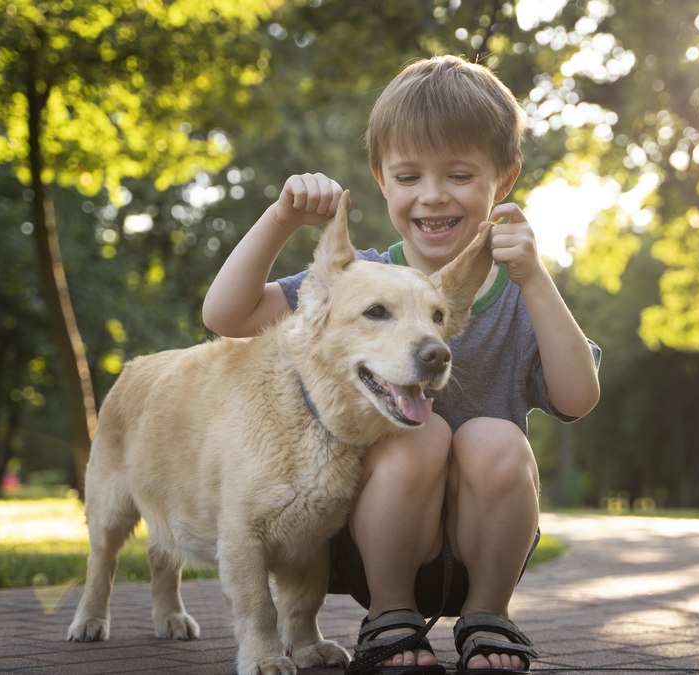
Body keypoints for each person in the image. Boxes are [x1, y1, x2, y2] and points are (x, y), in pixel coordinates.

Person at [202, 55, 601, 675]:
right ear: (381, 180)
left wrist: (536, 278)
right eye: (409, 175)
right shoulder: (359, 280)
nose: (433, 194)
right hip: (369, 549)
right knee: (419, 433)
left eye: (459, 174)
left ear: (504, 179)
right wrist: (282, 218)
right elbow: (227, 315)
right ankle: (390, 616)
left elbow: (577, 398)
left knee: (494, 438)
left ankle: (488, 616)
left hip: (483, 551)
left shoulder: (523, 292)